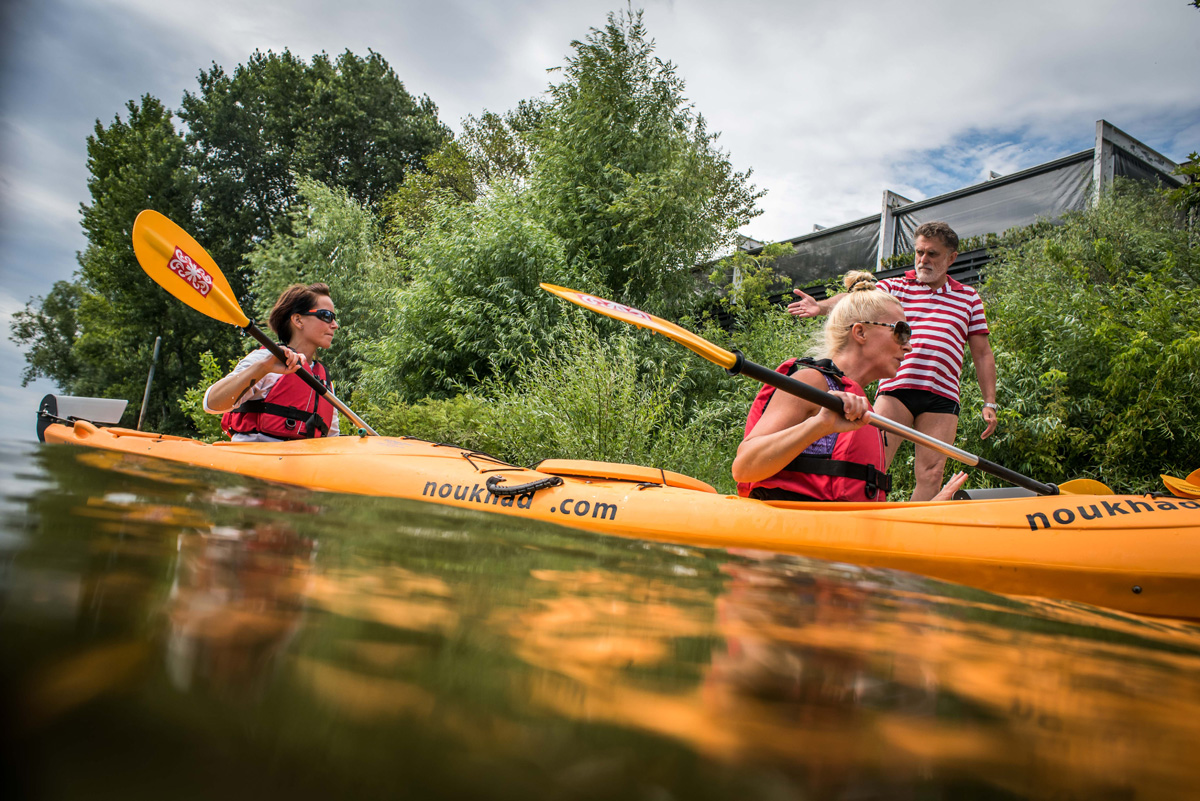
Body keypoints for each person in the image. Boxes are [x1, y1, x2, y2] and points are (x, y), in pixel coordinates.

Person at [787, 222, 996, 501]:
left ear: (951, 258)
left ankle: (913, 526)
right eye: (919, 252)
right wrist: (820, 306)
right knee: (871, 463)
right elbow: (856, 301)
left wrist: (990, 402)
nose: (923, 259)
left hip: (942, 396)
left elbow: (982, 353)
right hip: (896, 389)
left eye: (932, 254)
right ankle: (861, 517)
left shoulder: (968, 298)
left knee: (932, 473)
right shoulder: (896, 286)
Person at [733, 271, 967, 503]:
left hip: (839, 526)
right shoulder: (812, 383)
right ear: (860, 332)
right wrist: (819, 425)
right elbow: (744, 467)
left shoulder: (862, 410)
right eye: (900, 332)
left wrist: (930, 507)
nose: (908, 346)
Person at [204, 282, 340, 442]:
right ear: (298, 320)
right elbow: (212, 403)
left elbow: (333, 440)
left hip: (302, 457)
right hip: (255, 456)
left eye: (334, 318)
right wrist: (264, 367)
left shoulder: (324, 382)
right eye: (327, 316)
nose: (335, 325)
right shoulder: (265, 359)